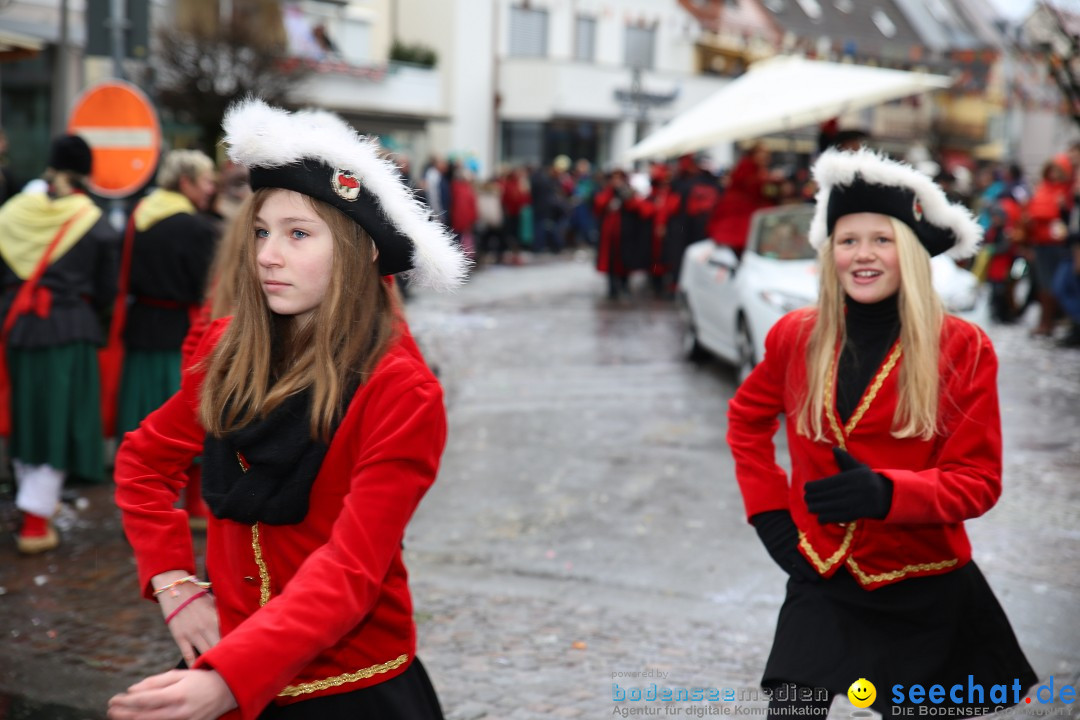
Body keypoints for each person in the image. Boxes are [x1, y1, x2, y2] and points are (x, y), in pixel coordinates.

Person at [108, 99, 467, 719]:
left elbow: (351, 571)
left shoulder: (401, 392)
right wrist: (173, 584)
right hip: (225, 660)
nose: (267, 254)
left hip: (349, 687)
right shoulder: (228, 348)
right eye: (261, 232)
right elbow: (143, 462)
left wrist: (229, 678)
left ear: (362, 252)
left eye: (298, 234)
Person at [727, 148, 1037, 719]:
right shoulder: (796, 335)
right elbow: (745, 421)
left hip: (924, 584)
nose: (862, 254)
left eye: (882, 239)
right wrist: (770, 517)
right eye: (848, 240)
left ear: (912, 253)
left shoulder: (962, 348)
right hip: (821, 576)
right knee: (792, 709)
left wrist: (888, 494)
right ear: (830, 254)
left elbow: (979, 482)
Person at [0, 134, 119, 553]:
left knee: (25, 416)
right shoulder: (95, 222)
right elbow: (108, 291)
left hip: (16, 327)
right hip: (70, 330)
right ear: (87, 170)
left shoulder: (12, 213)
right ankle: (34, 521)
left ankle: (29, 508)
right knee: (56, 423)